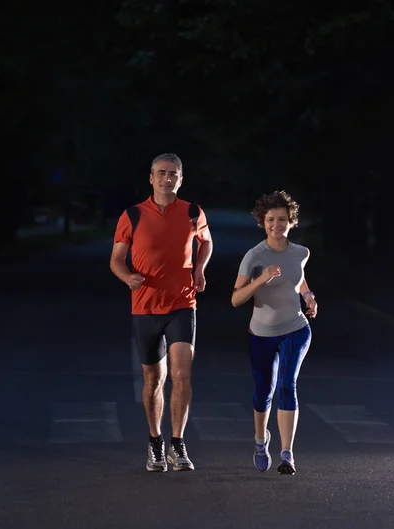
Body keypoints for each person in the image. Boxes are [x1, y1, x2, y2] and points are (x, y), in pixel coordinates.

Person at [110, 153, 213, 472]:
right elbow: (116, 259)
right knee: (153, 377)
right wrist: (128, 277)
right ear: (151, 178)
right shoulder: (133, 215)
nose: (167, 179)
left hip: (183, 303)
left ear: (181, 180)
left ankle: (178, 444)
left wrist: (199, 268)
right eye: (161, 173)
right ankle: (156, 442)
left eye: (173, 174)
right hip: (146, 306)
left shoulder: (193, 212)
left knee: (182, 374)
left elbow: (206, 243)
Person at [231, 190, 317, 475]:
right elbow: (236, 299)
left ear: (291, 221)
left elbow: (299, 278)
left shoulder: (300, 253)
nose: (276, 225)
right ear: (262, 222)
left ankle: (287, 453)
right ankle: (259, 441)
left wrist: (309, 296)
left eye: (282, 219)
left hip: (296, 328)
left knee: (287, 386)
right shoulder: (254, 256)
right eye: (270, 219)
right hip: (262, 332)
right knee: (263, 392)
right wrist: (261, 279)